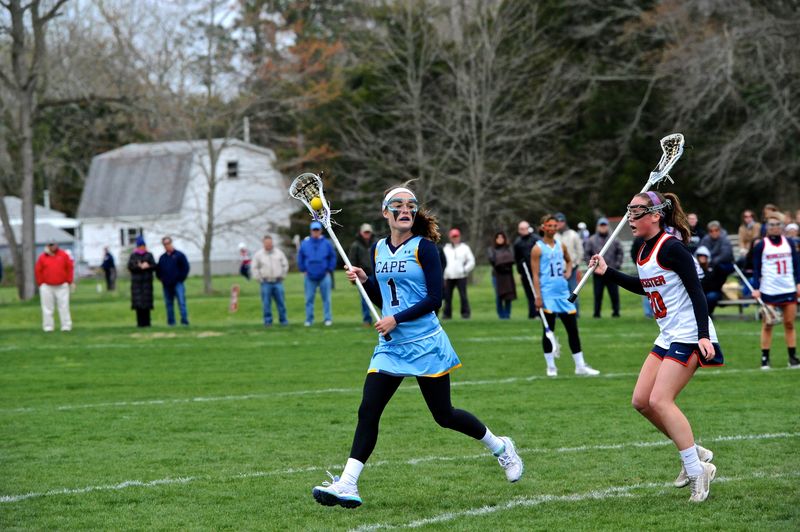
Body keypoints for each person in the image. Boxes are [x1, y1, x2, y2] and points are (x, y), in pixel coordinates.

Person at [311, 183, 523, 509]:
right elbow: (385, 298)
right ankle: (348, 483)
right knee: (368, 410)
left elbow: (434, 299)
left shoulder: (425, 248)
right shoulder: (378, 249)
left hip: (425, 343)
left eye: (410, 204)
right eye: (397, 204)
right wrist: (366, 281)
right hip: (392, 346)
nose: (405, 209)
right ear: (386, 213)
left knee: (444, 415)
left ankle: (500, 446)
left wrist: (395, 319)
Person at [589, 190, 723, 503]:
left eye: (636, 212)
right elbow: (647, 287)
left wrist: (703, 334)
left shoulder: (673, 248)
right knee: (641, 401)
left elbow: (697, 292)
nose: (629, 219)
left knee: (661, 400)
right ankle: (693, 452)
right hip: (667, 335)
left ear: (655, 215)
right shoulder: (642, 249)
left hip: (689, 333)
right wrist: (608, 272)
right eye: (629, 211)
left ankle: (697, 470)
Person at [531, 214, 600, 377]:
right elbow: (535, 275)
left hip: (563, 294)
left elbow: (569, 261)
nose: (552, 228)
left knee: (573, 330)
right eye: (549, 225)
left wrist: (568, 271)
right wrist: (538, 296)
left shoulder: (561, 245)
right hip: (547, 295)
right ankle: (551, 367)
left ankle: (580, 366)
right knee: (549, 331)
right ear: (543, 227)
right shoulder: (537, 248)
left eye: (555, 226)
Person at [750, 213, 800, 369]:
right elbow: (756, 268)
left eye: (778, 224)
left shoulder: (789, 243)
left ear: (782, 226)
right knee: (768, 324)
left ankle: (792, 358)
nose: (775, 227)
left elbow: (797, 264)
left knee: (790, 324)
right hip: (769, 290)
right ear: (767, 227)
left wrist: (798, 283)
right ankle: (765, 359)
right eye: (771, 225)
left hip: (788, 288)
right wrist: (756, 288)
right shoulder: (761, 245)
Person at [298, 221, 336, 326]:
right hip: (309, 275)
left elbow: (332, 256)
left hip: (324, 275)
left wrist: (329, 269)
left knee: (326, 299)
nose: (315, 232)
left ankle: (327, 318)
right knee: (309, 299)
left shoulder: (327, 243)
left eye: (317, 230)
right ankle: (309, 319)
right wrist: (303, 269)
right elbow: (300, 257)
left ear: (320, 231)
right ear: (311, 231)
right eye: (314, 230)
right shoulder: (305, 243)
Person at [584, 217, 623, 318]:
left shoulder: (613, 239)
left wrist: (617, 265)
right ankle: (596, 313)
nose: (603, 227)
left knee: (614, 293)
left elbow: (620, 252)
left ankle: (616, 312)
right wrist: (592, 267)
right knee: (598, 294)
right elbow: (586, 255)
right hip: (597, 272)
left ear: (607, 226)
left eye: (604, 225)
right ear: (597, 227)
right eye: (601, 225)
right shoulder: (591, 240)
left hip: (611, 271)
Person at [34, 240, 74, 332]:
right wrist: (41, 283)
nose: (53, 247)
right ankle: (48, 326)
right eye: (51, 245)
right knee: (47, 308)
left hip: (62, 286)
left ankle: (66, 326)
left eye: (54, 244)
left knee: (64, 306)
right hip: (47, 286)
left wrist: (69, 280)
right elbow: (38, 270)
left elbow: (69, 267)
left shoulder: (63, 255)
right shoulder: (43, 257)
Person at [251, 234, 289, 327]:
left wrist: (283, 276)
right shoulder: (258, 255)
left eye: (270, 243)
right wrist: (259, 278)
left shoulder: (279, 253)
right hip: (266, 282)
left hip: (277, 282)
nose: (268, 244)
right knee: (266, 304)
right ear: (263, 243)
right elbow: (254, 268)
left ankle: (283, 321)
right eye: (266, 243)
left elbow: (285, 265)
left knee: (281, 303)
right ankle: (268, 322)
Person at [156, 236, 190, 326]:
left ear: (171, 243)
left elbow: (185, 268)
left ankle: (184, 321)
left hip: (177, 283)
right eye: (165, 244)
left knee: (181, 303)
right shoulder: (162, 258)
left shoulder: (179, 255)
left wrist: (180, 279)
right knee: (169, 304)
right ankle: (171, 322)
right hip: (167, 285)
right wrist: (162, 279)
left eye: (168, 243)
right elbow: (158, 270)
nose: (167, 245)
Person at [442, 228, 475, 319]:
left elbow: (471, 261)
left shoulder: (465, 248)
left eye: (456, 236)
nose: (455, 238)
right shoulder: (446, 248)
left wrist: (465, 269)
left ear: (459, 237)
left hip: (461, 276)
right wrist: (444, 273)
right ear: (450, 238)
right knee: (447, 297)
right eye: (453, 237)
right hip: (448, 276)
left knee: (463, 296)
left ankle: (465, 313)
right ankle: (447, 314)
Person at [555, 213, 583, 315]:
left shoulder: (573, 234)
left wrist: (576, 264)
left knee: (573, 291)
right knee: (558, 292)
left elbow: (580, 251)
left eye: (561, 221)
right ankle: (559, 313)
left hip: (572, 268)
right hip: (558, 269)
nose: (559, 223)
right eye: (557, 221)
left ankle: (575, 313)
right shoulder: (554, 235)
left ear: (565, 222)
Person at [348, 223, 376, 326]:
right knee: (365, 299)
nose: (367, 234)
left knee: (383, 297)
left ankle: (385, 318)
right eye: (365, 232)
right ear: (361, 233)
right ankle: (367, 319)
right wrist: (353, 277)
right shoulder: (356, 245)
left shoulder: (376, 243)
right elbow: (352, 261)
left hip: (376, 275)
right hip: (363, 276)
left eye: (368, 232)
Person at [127, 236, 156, 327]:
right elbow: (130, 267)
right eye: (140, 245)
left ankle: (147, 323)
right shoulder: (133, 256)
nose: (142, 247)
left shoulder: (149, 255)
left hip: (147, 284)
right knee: (138, 304)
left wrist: (148, 266)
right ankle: (140, 323)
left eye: (143, 245)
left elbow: (154, 266)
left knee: (146, 304)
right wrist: (139, 267)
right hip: (137, 284)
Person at [513, 220, 539, 318]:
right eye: (521, 229)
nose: (523, 231)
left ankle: (540, 312)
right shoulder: (517, 242)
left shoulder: (535, 239)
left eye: (524, 228)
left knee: (538, 292)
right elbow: (516, 257)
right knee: (529, 294)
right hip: (525, 271)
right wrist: (520, 270)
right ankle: (532, 313)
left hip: (537, 270)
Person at [487, 231, 516, 319]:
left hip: (507, 275)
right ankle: (501, 315)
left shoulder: (509, 248)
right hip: (496, 275)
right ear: (495, 239)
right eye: (498, 238)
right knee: (499, 295)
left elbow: (512, 259)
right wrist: (504, 261)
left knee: (508, 295)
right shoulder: (491, 249)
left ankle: (507, 314)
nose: (500, 239)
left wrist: (501, 261)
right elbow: (493, 260)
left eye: (502, 237)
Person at [631, 236, 654, 318]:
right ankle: (648, 313)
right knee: (646, 290)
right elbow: (633, 253)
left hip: (655, 268)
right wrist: (639, 264)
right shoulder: (638, 240)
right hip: (644, 269)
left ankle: (657, 311)